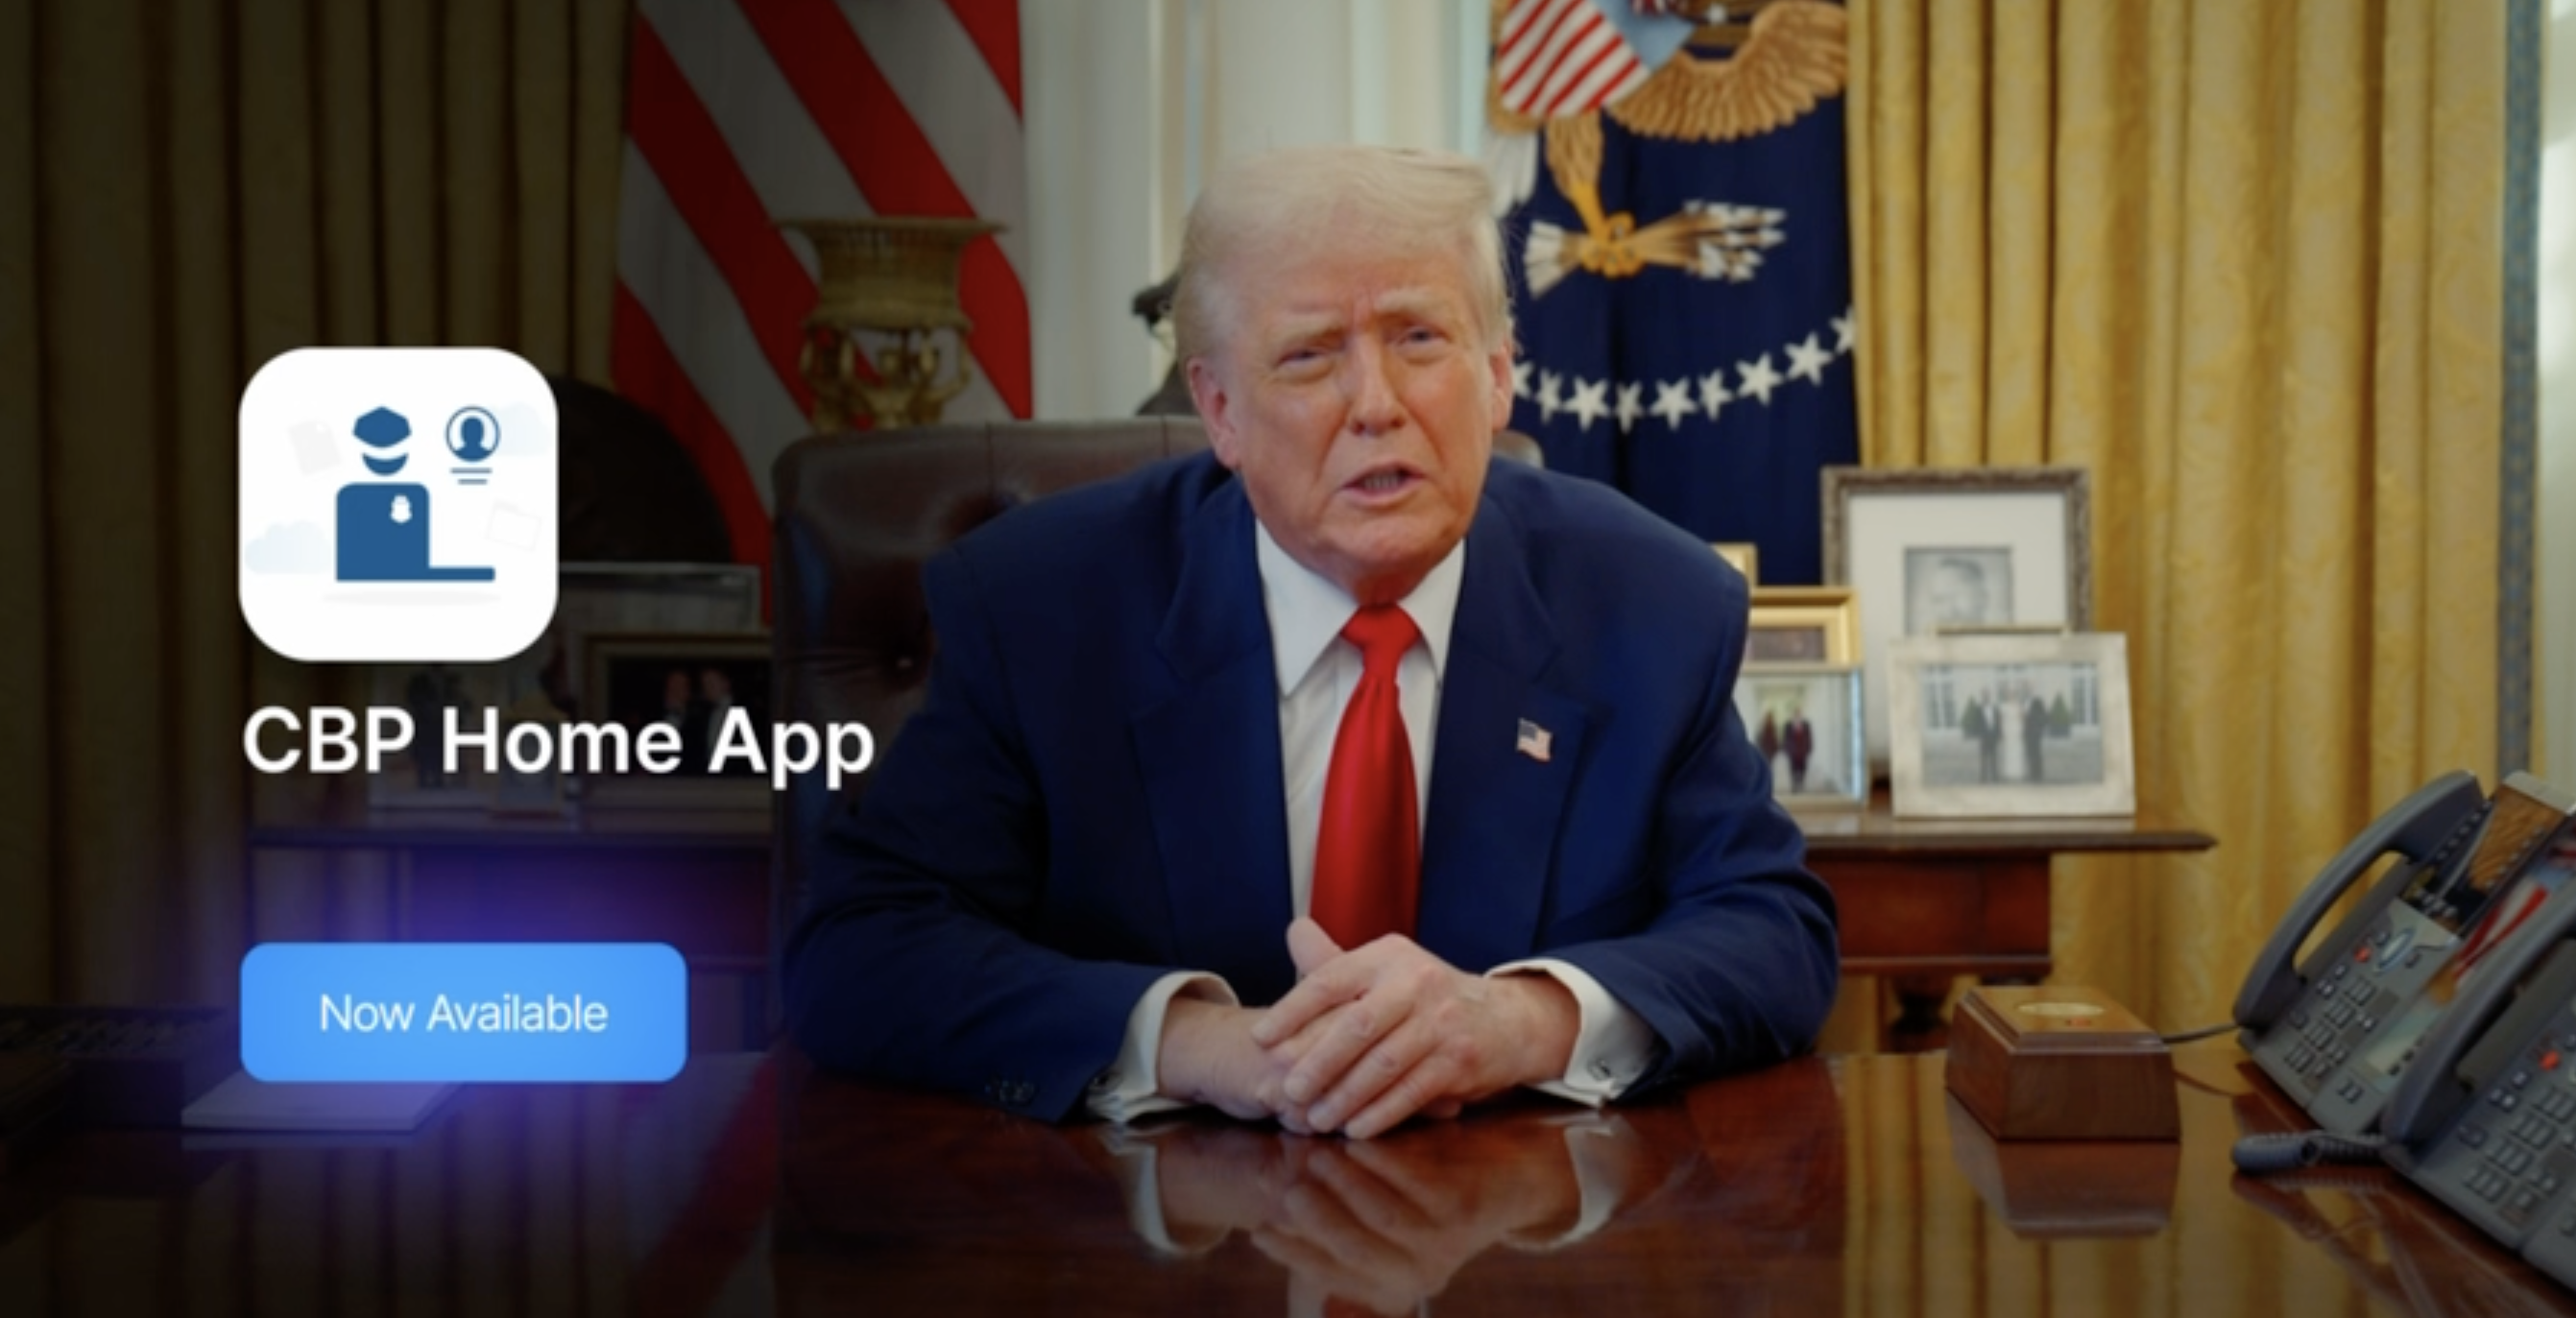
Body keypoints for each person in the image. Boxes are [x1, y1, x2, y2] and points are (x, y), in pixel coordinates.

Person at [785, 146, 1838, 1138]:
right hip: (1144, 1260)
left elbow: (1771, 930)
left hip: (1518, 1261)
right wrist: (1193, 1042)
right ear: (1220, 411)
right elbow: (862, 948)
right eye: (1308, 356)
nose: (1376, 405)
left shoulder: (1650, 604)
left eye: (1419, 339)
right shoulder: (1041, 610)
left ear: (1499, 373)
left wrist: (1517, 1024)